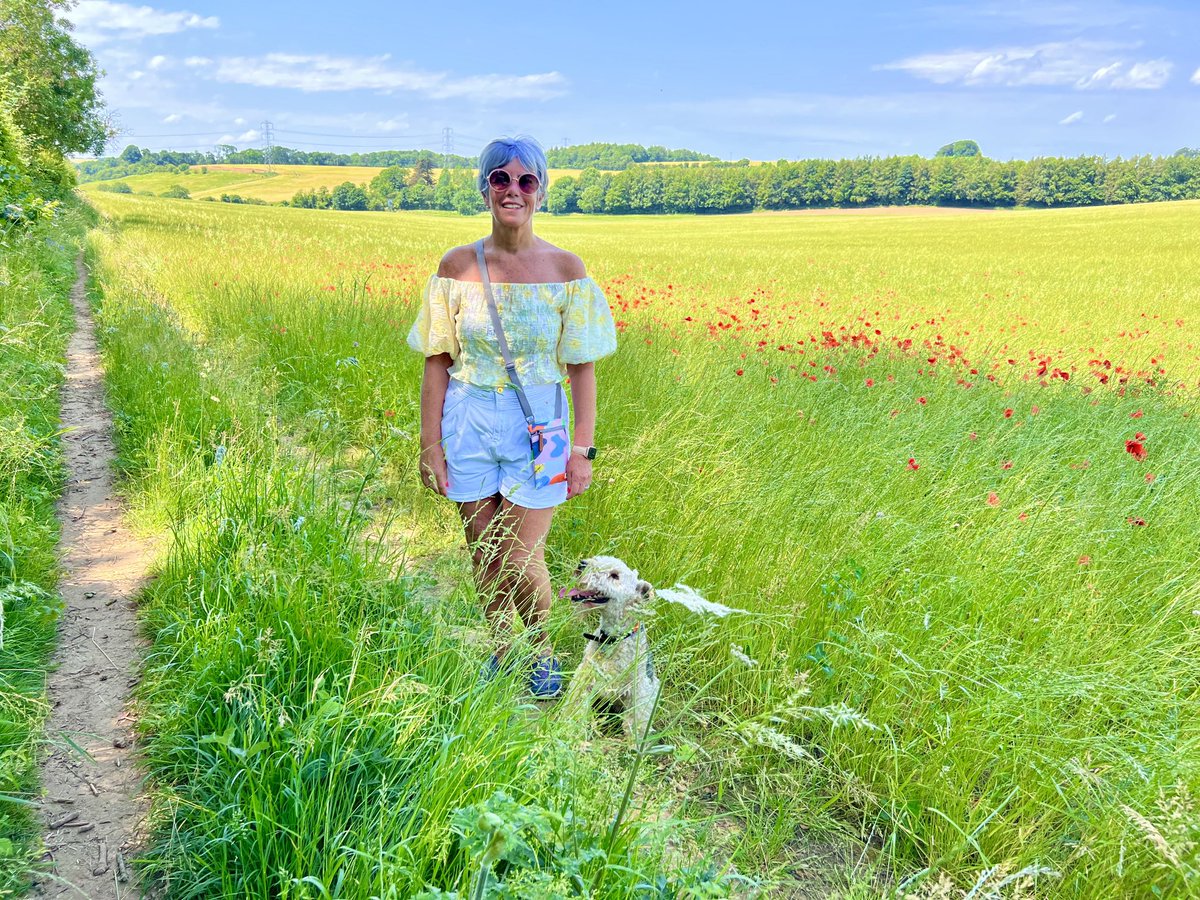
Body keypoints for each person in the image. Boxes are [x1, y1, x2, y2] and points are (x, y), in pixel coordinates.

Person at [407, 136, 617, 698]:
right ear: (484, 188)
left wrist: (581, 450)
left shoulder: (566, 269)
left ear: (542, 191)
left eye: (526, 181)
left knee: (522, 558)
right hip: (468, 416)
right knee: (483, 549)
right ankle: (504, 647)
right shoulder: (456, 266)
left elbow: (581, 370)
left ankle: (541, 651)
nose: (513, 190)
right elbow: (437, 361)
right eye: (500, 178)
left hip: (542, 425)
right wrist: (430, 444)